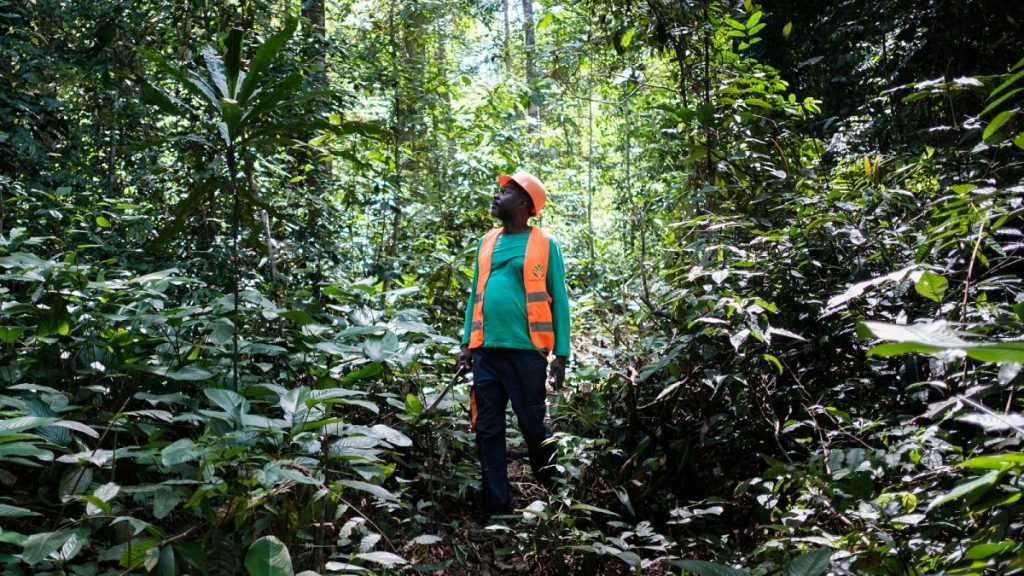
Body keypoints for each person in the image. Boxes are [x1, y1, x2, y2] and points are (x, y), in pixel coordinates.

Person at [456, 171, 571, 526]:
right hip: (487, 352)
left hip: (526, 354)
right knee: (488, 431)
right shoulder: (486, 242)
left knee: (533, 427)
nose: (496, 196)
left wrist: (561, 354)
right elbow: (476, 294)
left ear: (523, 204)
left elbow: (560, 300)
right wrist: (466, 345)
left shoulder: (545, 244)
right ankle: (497, 512)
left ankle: (558, 494)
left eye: (504, 192)